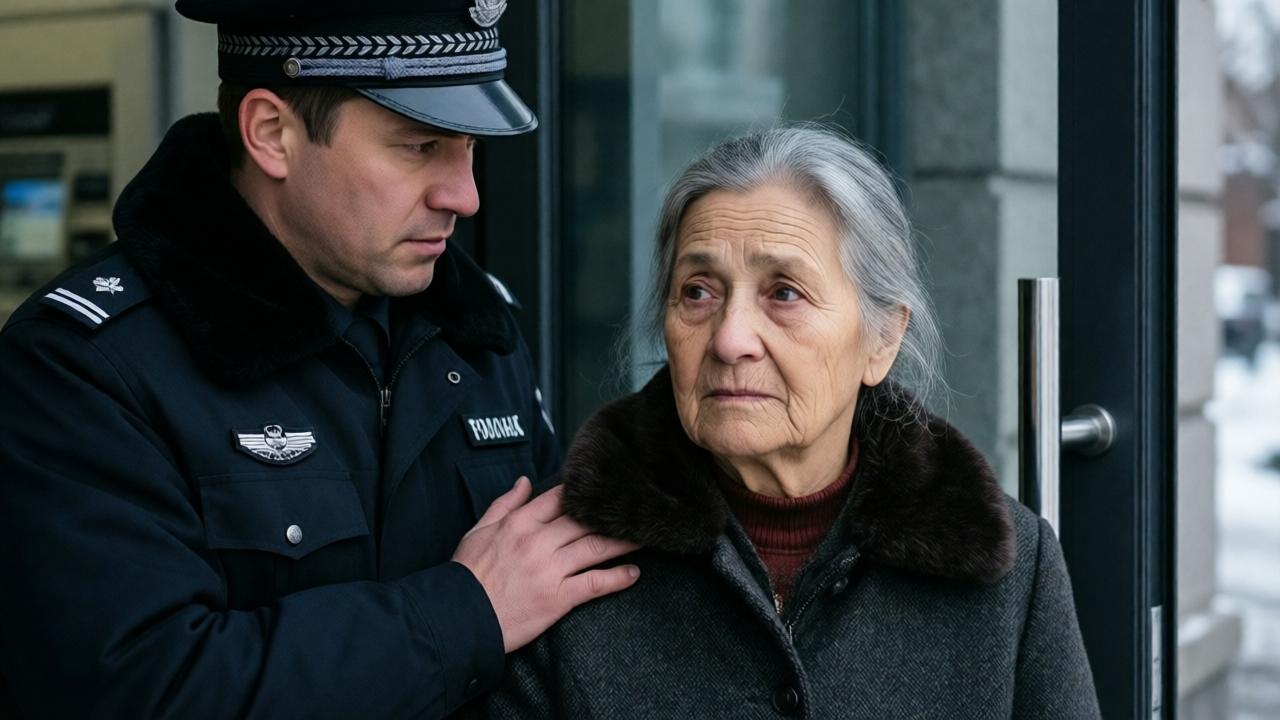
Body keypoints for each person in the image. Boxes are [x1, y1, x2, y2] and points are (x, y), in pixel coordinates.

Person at [0, 1, 639, 717]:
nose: (464, 195)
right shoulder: (81, 365)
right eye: (420, 146)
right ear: (272, 135)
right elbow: (145, 691)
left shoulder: (475, 330)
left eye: (468, 147)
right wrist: (464, 614)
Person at [480, 126, 1101, 718]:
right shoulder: (559, 561)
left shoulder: (1011, 575)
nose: (730, 339)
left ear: (882, 339)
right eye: (698, 291)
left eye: (784, 293)